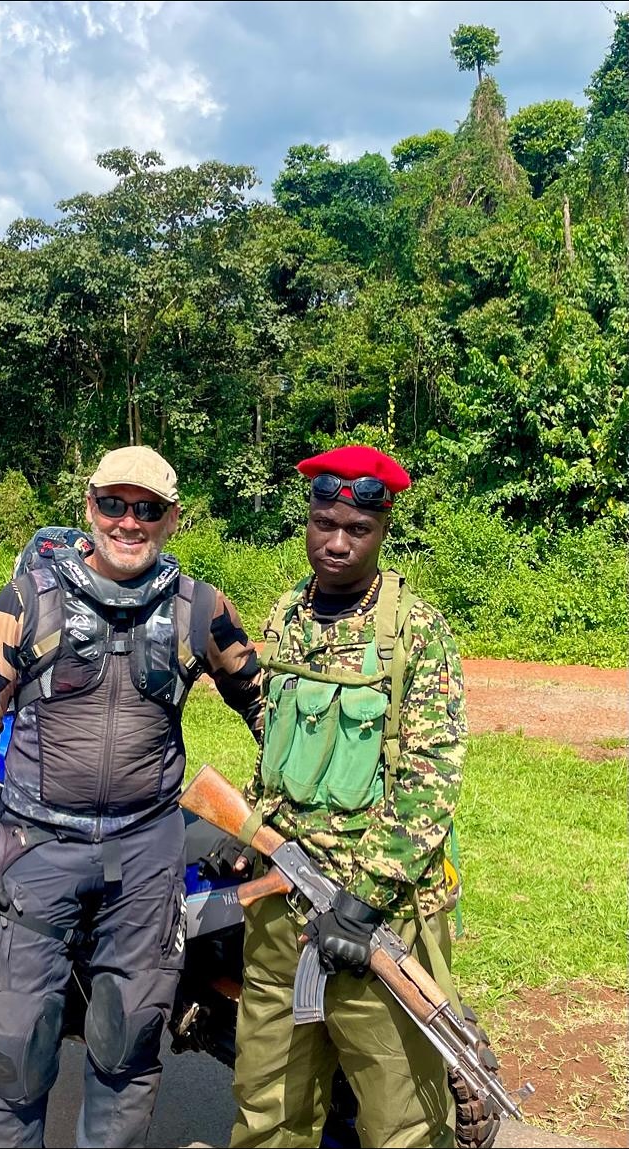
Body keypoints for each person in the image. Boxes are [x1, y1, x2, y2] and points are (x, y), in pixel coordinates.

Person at [0, 445, 262, 1149]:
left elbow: (269, 707)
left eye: (147, 508)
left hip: (146, 855)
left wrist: (280, 813)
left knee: (128, 1046)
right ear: (89, 507)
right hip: (33, 848)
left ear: (173, 518)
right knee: (14, 1052)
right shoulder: (32, 598)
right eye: (114, 504)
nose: (129, 521)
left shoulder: (201, 609)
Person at [229, 445, 467, 1149]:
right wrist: (249, 824)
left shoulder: (414, 632)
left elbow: (433, 775)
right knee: (268, 1107)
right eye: (323, 521)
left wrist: (362, 899)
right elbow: (277, 746)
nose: (335, 541)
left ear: (382, 528)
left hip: (376, 925)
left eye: (355, 528)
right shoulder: (284, 618)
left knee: (402, 1122)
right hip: (280, 909)